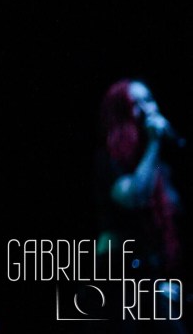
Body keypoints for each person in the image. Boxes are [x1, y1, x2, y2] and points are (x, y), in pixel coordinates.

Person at [92, 78, 186, 332]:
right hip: (118, 272)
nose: (147, 109)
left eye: (149, 100)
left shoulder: (161, 165)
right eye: (136, 103)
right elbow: (134, 197)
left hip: (151, 272)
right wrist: (154, 142)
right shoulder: (109, 158)